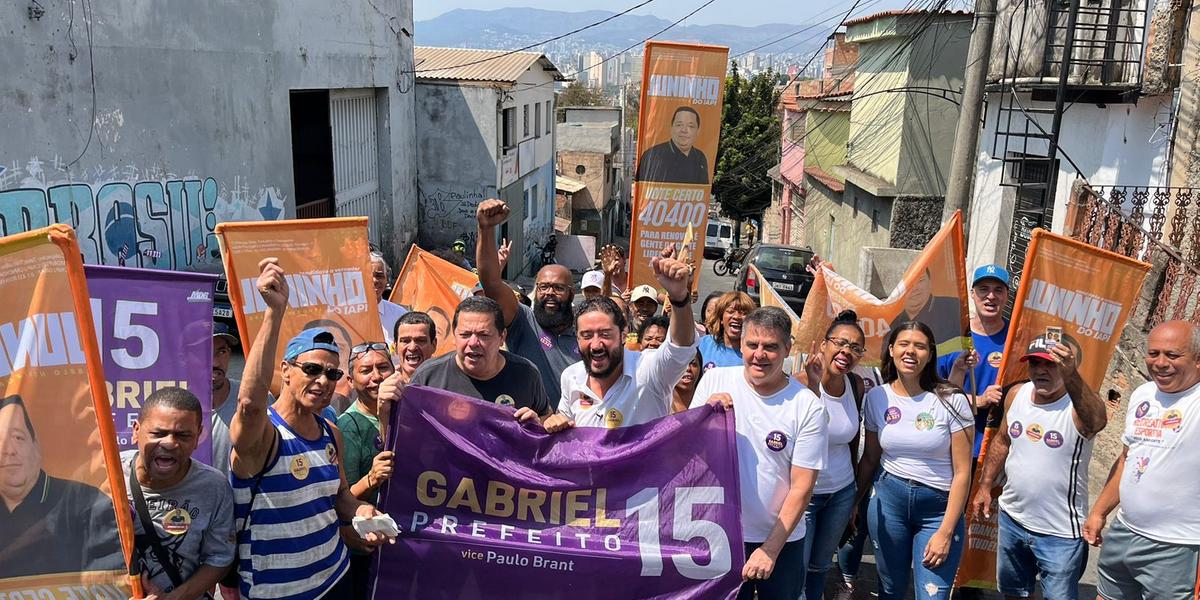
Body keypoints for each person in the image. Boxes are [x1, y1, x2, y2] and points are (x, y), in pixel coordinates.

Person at [229, 258, 393, 600]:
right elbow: (249, 404)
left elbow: (339, 497)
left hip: (336, 578)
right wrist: (274, 313)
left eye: (333, 374)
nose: (323, 380)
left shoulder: (330, 432)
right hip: (278, 592)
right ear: (286, 370)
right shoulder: (265, 436)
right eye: (312, 369)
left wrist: (362, 511)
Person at [690, 307, 828, 600]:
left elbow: (802, 487)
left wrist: (770, 549)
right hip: (718, 536)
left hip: (781, 541)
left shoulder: (807, 406)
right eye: (752, 345)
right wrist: (704, 416)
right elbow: (687, 453)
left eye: (771, 347)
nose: (759, 354)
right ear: (741, 344)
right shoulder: (713, 381)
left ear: (787, 349)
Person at [969, 335, 1106, 600]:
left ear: (1067, 367)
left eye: (1050, 364)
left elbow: (1097, 421)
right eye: (1034, 362)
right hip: (1012, 518)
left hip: (1060, 532)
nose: (1040, 370)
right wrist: (985, 486)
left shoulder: (1078, 407)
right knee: (1014, 593)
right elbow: (1002, 441)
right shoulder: (1017, 394)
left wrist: (1072, 376)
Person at [855, 321, 974, 600]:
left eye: (920, 346)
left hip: (938, 511)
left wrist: (945, 531)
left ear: (930, 354)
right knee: (890, 591)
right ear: (892, 350)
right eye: (904, 344)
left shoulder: (952, 400)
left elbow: (963, 472)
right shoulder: (876, 397)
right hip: (888, 504)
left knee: (933, 594)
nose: (911, 352)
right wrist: (852, 502)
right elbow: (871, 458)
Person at [1085, 320, 1200, 600]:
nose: (1160, 363)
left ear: (1198, 360)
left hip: (1176, 546)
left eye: (1173, 355)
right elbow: (1127, 459)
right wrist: (1099, 512)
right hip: (1124, 530)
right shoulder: (1142, 394)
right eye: (1153, 353)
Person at [545, 246, 698, 432]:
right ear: (577, 338)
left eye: (605, 334)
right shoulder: (571, 377)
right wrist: (550, 424)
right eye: (586, 335)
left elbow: (681, 346)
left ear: (624, 334)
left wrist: (679, 297)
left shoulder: (649, 370)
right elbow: (567, 430)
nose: (596, 345)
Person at [122, 387, 235, 600]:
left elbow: (219, 558)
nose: (170, 443)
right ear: (136, 430)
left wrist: (173, 599)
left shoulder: (215, 487)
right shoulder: (107, 476)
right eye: (158, 433)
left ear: (198, 436)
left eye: (183, 435)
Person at [0, 394, 124, 578]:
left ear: (36, 446)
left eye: (18, 437)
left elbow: (111, 581)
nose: (8, 450)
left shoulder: (87, 502)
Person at [793, 311, 869, 600]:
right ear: (823, 345)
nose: (846, 351)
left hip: (841, 493)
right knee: (795, 569)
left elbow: (852, 444)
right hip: (805, 495)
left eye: (855, 348)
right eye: (840, 343)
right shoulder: (797, 383)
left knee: (820, 567)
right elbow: (801, 437)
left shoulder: (856, 386)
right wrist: (814, 387)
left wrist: (853, 500)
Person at [476, 200, 579, 406]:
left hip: (575, 429)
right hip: (528, 428)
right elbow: (491, 283)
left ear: (572, 293)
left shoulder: (586, 332)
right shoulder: (523, 321)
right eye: (543, 287)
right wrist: (485, 229)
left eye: (558, 288)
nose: (550, 293)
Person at [411, 296, 552, 419]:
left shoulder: (526, 374)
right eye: (465, 334)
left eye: (483, 335)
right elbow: (408, 427)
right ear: (454, 335)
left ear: (502, 337)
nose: (473, 343)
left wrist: (537, 424)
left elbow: (546, 416)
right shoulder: (427, 377)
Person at [336, 343, 402, 598]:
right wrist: (372, 479)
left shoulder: (405, 411)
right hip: (366, 548)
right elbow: (343, 498)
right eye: (366, 370)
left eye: (383, 367)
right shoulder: (347, 427)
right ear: (351, 381)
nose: (376, 376)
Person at [938, 264, 1012, 460]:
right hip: (950, 446)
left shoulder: (1016, 338)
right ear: (972, 293)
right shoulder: (952, 334)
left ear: (1006, 295)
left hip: (996, 450)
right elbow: (934, 390)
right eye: (983, 289)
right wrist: (978, 400)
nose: (991, 296)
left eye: (998, 290)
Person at [888, 268, 964, 350]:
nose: (915, 288)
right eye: (908, 283)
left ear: (930, 283)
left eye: (920, 280)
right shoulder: (893, 323)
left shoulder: (954, 308)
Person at [635, 106, 710, 185]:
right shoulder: (652, 156)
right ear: (671, 127)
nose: (684, 130)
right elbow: (641, 190)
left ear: (697, 131)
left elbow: (703, 191)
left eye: (691, 126)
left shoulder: (700, 157)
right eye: (679, 125)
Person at [209, 322, 241, 475]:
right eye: (204, 352)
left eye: (221, 352)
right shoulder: (170, 405)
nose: (215, 362)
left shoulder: (252, 399)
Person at [699, 291, 756, 372]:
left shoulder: (755, 354)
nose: (736, 317)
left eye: (743, 313)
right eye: (731, 311)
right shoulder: (704, 344)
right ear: (721, 318)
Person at [370, 251, 407, 347]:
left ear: (386, 280)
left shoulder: (400, 315)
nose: (374, 281)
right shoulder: (346, 316)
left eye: (379, 276)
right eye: (367, 275)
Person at [393, 311, 438, 383]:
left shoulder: (448, 384)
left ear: (434, 344)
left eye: (420, 340)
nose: (412, 347)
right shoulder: (384, 385)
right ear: (395, 346)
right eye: (405, 341)